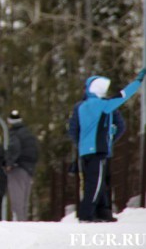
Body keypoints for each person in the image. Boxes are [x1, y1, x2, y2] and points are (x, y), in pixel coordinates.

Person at [68, 70, 144, 223]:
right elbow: (124, 95)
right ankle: (86, 214)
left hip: (84, 151)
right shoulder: (103, 105)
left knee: (95, 182)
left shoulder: (82, 106)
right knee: (96, 184)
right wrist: (138, 81)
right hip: (98, 150)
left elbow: (75, 129)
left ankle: (101, 213)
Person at [5, 109, 39, 221]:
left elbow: (15, 148)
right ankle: (23, 221)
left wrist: (9, 163)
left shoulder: (14, 133)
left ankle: (19, 223)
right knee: (25, 199)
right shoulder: (28, 133)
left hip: (18, 167)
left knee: (17, 198)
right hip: (29, 168)